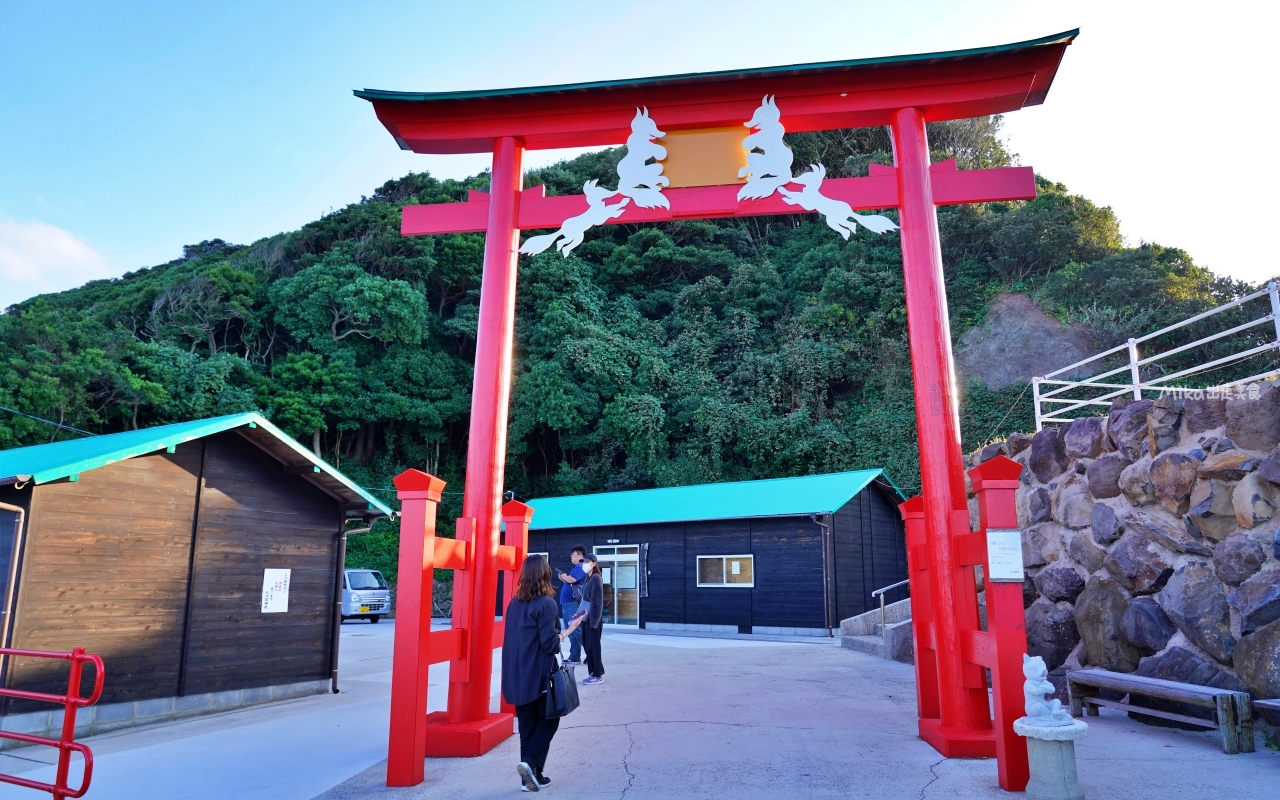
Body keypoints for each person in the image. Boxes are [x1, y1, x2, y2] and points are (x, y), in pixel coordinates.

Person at [502, 554, 582, 792]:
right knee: (549, 721)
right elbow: (550, 644)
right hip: (538, 674)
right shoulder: (546, 603)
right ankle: (529, 764)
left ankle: (531, 778)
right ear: (545, 575)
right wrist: (568, 630)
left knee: (527, 727)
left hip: (516, 674)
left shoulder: (514, 602)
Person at [556, 546, 588, 666]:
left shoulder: (581, 566)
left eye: (573, 555)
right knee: (572, 632)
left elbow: (572, 579)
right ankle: (574, 657)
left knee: (576, 630)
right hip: (568, 603)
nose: (571, 557)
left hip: (573, 604)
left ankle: (592, 653)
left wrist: (565, 576)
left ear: (580, 556)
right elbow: (571, 582)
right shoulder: (577, 568)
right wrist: (564, 578)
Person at [577, 552, 606, 685]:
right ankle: (593, 672)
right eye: (583, 562)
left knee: (594, 647)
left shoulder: (596, 578)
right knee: (588, 646)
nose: (584, 564)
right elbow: (585, 600)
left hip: (593, 619)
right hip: (586, 618)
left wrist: (594, 621)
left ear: (594, 563)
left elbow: (597, 602)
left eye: (587, 562)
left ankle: (597, 675)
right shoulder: (588, 578)